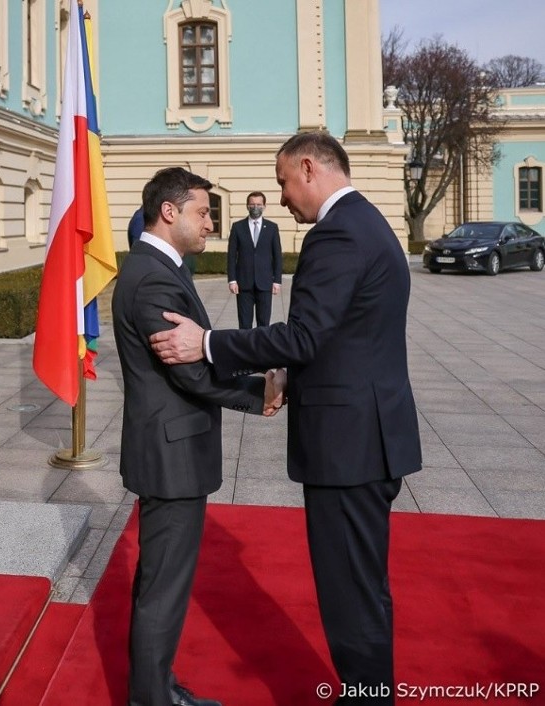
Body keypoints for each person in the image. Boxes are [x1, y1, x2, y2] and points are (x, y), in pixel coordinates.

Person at [149, 132, 422, 704]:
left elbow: (302, 335)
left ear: (308, 168)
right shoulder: (370, 222)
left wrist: (210, 344)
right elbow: (349, 336)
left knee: (351, 596)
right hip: (367, 435)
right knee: (362, 588)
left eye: (281, 182)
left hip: (349, 447)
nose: (280, 197)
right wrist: (290, 379)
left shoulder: (338, 232)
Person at [112, 166, 285, 706]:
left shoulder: (160, 267)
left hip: (170, 446)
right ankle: (152, 699)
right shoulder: (154, 277)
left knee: (159, 579)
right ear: (169, 212)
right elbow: (189, 369)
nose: (211, 222)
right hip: (171, 453)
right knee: (164, 587)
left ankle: (155, 686)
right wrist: (260, 393)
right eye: (203, 211)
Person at [227, 191, 282, 328]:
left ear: (264, 206)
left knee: (264, 323)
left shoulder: (272, 228)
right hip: (243, 283)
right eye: (252, 204)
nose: (255, 207)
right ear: (247, 206)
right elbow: (232, 255)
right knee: (244, 324)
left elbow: (277, 256)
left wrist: (277, 281)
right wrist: (232, 280)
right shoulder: (238, 227)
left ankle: (261, 349)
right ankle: (244, 349)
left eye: (258, 204)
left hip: (265, 283)